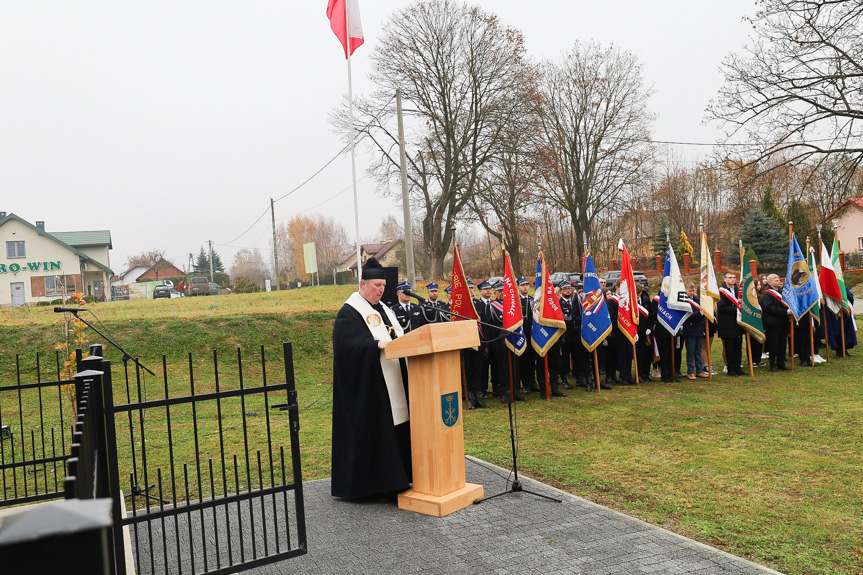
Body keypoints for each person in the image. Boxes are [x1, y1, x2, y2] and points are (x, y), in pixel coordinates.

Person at [331, 257, 412, 500]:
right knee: (377, 431)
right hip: (369, 387)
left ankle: (398, 477)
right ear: (362, 284)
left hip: (391, 380)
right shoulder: (349, 312)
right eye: (377, 285)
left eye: (383, 286)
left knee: (396, 429)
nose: (381, 290)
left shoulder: (385, 310)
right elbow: (347, 346)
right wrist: (375, 344)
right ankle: (375, 485)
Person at [717, 271, 746, 377]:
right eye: (730, 277)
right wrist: (737, 310)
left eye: (734, 277)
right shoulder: (721, 291)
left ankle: (738, 368)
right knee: (729, 347)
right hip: (727, 323)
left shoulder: (738, 290)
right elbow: (722, 307)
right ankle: (731, 369)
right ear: (725, 279)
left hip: (738, 323)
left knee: (738, 346)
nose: (733, 279)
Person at [760, 274, 791, 371]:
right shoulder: (767, 294)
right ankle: (772, 363)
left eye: (779, 280)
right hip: (773, 322)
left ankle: (781, 363)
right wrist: (785, 312)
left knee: (782, 343)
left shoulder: (781, 292)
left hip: (783, 321)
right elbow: (769, 308)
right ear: (770, 282)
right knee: (774, 343)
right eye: (776, 280)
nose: (779, 282)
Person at [517, 277, 541, 394]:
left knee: (532, 359)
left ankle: (532, 382)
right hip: (521, 333)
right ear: (518, 287)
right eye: (522, 285)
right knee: (523, 360)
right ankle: (525, 383)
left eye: (527, 285)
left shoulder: (533, 301)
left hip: (532, 333)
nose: (525, 287)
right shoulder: (516, 301)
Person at [681, 282, 708, 379]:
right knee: (691, 351)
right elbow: (688, 315)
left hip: (699, 329)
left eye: (693, 291)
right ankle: (690, 371)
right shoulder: (683, 301)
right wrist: (700, 313)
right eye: (690, 291)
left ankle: (699, 370)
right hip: (690, 329)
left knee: (698, 350)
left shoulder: (697, 299)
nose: (692, 293)